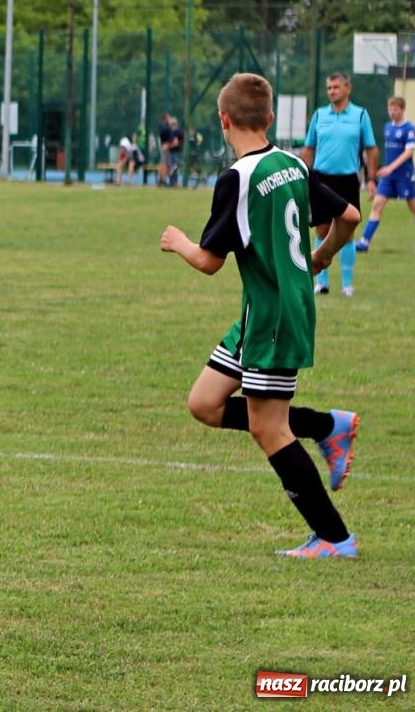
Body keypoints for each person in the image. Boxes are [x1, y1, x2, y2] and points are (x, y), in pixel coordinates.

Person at [160, 72, 362, 558]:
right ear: (269, 119)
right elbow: (350, 216)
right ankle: (326, 426)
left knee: (267, 428)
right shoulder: (291, 164)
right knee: (205, 403)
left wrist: (179, 242)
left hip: (273, 316)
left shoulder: (237, 178)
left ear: (223, 120)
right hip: (262, 313)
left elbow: (209, 262)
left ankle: (336, 540)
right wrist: (322, 255)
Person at [302, 72, 377, 297]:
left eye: (336, 87)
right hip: (321, 179)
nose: (332, 91)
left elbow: (371, 149)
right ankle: (321, 282)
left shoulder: (360, 114)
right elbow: (309, 148)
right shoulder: (319, 115)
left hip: (347, 180)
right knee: (322, 229)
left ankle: (347, 284)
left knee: (346, 232)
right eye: (329, 88)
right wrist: (302, 175)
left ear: (347, 88)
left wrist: (372, 178)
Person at [354, 96, 415, 254]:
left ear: (402, 109)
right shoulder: (387, 127)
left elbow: (409, 152)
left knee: (414, 207)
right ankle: (364, 242)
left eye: (395, 109)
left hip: (404, 174)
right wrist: (386, 171)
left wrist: (390, 168)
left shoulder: (409, 128)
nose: (392, 112)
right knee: (377, 205)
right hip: (388, 177)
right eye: (390, 109)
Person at [159, 114, 185, 187]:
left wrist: (167, 147)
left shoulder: (176, 132)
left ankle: (174, 182)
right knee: (172, 168)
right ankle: (172, 182)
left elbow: (176, 143)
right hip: (173, 152)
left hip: (174, 152)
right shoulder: (175, 131)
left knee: (173, 168)